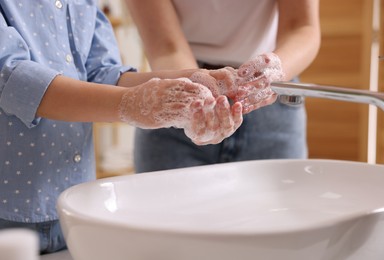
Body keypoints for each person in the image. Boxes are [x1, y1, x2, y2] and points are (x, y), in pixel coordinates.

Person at [0, 0, 276, 254]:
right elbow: (11, 78)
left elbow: (103, 74)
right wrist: (132, 104)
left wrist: (193, 80)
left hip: (73, 204)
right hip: (8, 206)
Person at [125, 0, 321, 173]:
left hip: (271, 97)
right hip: (177, 94)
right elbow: (166, 46)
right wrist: (193, 91)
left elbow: (301, 26)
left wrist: (277, 69)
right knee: (167, 214)